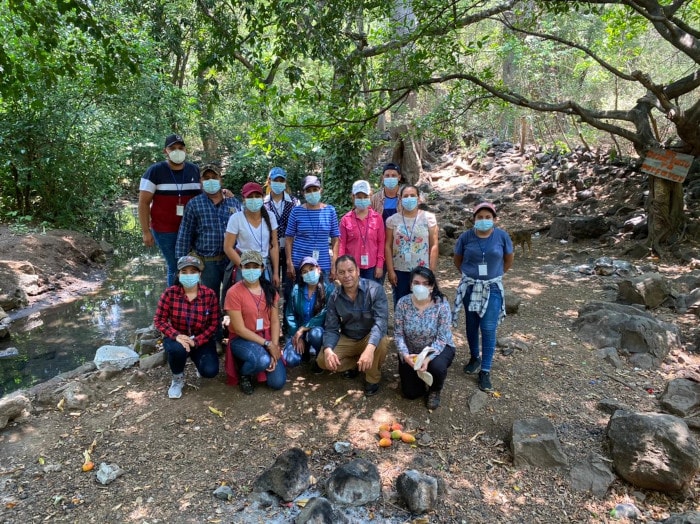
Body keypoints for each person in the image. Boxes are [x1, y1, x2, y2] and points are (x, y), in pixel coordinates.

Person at [453, 202, 514, 393]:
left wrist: (495, 275)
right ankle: (474, 357)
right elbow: (458, 259)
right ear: (474, 219)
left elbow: (508, 258)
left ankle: (485, 370)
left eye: (488, 217)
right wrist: (469, 275)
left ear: (494, 219)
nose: (484, 220)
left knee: (488, 327)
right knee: (471, 325)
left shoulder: (502, 236)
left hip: (492, 287)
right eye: (480, 217)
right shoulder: (466, 237)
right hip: (470, 286)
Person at [317, 255, 390, 397]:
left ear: (358, 271)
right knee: (322, 360)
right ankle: (358, 364)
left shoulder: (375, 290)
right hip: (348, 337)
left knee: (382, 341)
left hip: (369, 337)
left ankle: (372, 378)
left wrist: (369, 349)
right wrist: (327, 350)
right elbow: (331, 327)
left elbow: (381, 322)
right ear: (336, 275)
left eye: (350, 270)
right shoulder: (335, 296)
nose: (347, 276)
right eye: (342, 272)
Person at [153, 255, 220, 399]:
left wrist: (197, 341)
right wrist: (176, 336)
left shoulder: (209, 295)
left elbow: (214, 324)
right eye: (184, 272)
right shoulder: (170, 293)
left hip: (200, 339)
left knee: (210, 371)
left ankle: (197, 362)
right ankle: (177, 379)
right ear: (178, 274)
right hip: (177, 337)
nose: (189, 275)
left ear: (200, 274)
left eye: (193, 271)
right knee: (177, 349)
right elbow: (159, 320)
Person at [139, 134, 201, 287]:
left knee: (193, 266)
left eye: (180, 148)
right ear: (165, 151)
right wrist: (146, 231)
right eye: (172, 148)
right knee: (175, 266)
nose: (177, 151)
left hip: (192, 229)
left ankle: (193, 301)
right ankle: (173, 303)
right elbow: (143, 203)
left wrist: (224, 192)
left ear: (186, 150)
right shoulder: (155, 171)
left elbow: (204, 197)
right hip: (165, 230)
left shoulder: (194, 170)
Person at [223, 250, 285, 394]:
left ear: (262, 268)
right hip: (242, 339)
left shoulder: (270, 290)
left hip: (266, 336)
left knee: (277, 383)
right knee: (262, 360)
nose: (251, 270)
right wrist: (267, 344)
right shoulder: (233, 293)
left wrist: (274, 345)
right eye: (247, 266)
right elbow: (239, 329)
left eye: (255, 266)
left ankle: (254, 362)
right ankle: (244, 373)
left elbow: (275, 321)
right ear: (241, 268)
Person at [175, 164, 241, 297]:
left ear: (220, 179)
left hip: (231, 259)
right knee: (209, 299)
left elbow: (244, 230)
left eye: (214, 177)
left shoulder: (233, 202)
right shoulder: (194, 204)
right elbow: (185, 234)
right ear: (201, 181)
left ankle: (230, 318)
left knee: (233, 297)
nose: (210, 180)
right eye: (206, 178)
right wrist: (181, 263)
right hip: (207, 261)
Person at [394, 267, 455, 410]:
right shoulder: (403, 303)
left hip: (437, 348)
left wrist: (427, 359)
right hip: (411, 351)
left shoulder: (441, 304)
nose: (420, 287)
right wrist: (405, 355)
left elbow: (442, 337)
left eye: (425, 283)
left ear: (432, 286)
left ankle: (435, 389)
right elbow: (398, 334)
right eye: (416, 283)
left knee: (437, 367)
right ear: (410, 285)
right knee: (411, 393)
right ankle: (419, 378)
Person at [385, 185, 439, 307]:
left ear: (418, 198)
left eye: (412, 195)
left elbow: (434, 245)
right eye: (405, 196)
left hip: (422, 270)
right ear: (400, 199)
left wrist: (431, 270)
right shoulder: (392, 220)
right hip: (400, 271)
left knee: (422, 303)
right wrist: (390, 270)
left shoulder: (428, 218)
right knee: (401, 304)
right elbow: (387, 245)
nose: (409, 198)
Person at [223, 182, 280, 288]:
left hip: (264, 266)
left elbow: (274, 246)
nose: (254, 199)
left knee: (264, 299)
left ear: (262, 198)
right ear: (243, 199)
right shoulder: (236, 218)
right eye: (250, 197)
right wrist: (245, 268)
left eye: (257, 196)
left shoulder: (270, 217)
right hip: (244, 266)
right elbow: (228, 247)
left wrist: (276, 273)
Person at [285, 175, 340, 282]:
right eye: (308, 190)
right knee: (299, 296)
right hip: (299, 264)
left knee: (322, 296)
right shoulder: (296, 211)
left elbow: (335, 239)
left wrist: (334, 264)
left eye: (315, 189)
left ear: (321, 190)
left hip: (322, 264)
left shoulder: (330, 211)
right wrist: (289, 263)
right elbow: (289, 239)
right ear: (303, 193)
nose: (312, 193)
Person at [283, 256, 334, 367]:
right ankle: (304, 351)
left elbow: (326, 313)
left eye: (311, 269)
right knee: (291, 360)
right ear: (301, 275)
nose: (309, 273)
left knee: (316, 334)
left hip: (319, 330)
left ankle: (319, 358)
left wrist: (304, 328)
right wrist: (298, 335)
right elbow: (290, 314)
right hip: (299, 331)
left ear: (318, 269)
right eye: (304, 272)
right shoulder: (297, 290)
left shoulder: (328, 289)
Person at [264, 167, 300, 300]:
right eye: (275, 180)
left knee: (289, 286)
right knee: (270, 286)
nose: (278, 183)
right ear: (269, 181)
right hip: (269, 250)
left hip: (289, 250)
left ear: (285, 182)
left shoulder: (295, 202)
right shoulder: (262, 203)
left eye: (281, 180)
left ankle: (287, 318)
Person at [339, 180, 385, 283]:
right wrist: (341, 266)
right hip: (351, 267)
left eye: (365, 196)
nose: (362, 199)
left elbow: (381, 242)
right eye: (359, 197)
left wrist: (380, 265)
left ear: (370, 196)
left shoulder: (377, 218)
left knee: (370, 295)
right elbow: (342, 244)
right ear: (353, 197)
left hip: (372, 267)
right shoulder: (346, 220)